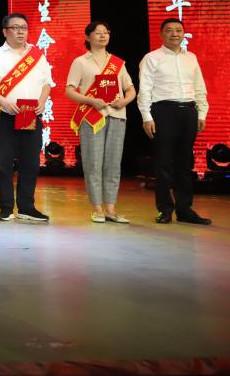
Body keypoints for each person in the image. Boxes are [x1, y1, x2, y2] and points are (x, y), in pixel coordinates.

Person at [0, 13, 54, 222]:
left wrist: (42, 101)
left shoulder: (37, 55)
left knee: (31, 162)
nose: (20, 31)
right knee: (4, 163)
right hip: (3, 115)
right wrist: (3, 101)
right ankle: (6, 207)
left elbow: (47, 83)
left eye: (24, 28)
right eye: (15, 28)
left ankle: (27, 207)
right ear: (5, 32)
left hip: (30, 115)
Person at [137, 18, 211, 225]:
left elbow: (199, 87)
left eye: (178, 30)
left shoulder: (191, 58)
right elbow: (145, 90)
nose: (174, 34)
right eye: (169, 30)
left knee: (184, 163)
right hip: (163, 111)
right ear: (162, 34)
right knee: (163, 163)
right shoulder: (152, 58)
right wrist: (146, 117)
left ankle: (185, 209)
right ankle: (165, 209)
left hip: (188, 111)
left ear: (183, 34)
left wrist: (202, 113)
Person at [65, 21, 136, 223]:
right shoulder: (80, 62)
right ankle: (97, 208)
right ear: (88, 37)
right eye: (98, 33)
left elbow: (130, 89)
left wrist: (124, 101)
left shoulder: (117, 63)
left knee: (113, 163)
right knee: (93, 163)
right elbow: (69, 91)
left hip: (117, 115)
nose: (103, 36)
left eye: (106, 32)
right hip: (92, 117)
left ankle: (111, 209)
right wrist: (90, 100)